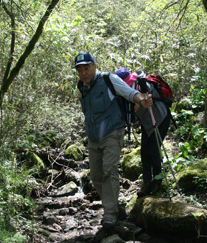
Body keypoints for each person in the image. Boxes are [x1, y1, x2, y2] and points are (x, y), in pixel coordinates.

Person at [74, 53, 153, 229]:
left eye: (87, 68)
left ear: (95, 65)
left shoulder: (109, 79)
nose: (84, 72)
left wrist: (142, 100)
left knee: (109, 169)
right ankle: (116, 205)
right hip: (93, 137)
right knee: (95, 177)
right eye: (80, 69)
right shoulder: (82, 86)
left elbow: (131, 93)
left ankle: (110, 214)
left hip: (112, 132)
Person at [115, 67, 172, 197]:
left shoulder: (142, 85)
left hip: (160, 118)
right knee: (144, 152)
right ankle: (147, 183)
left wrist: (142, 100)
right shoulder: (125, 91)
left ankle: (157, 182)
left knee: (154, 150)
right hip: (148, 124)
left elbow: (145, 96)